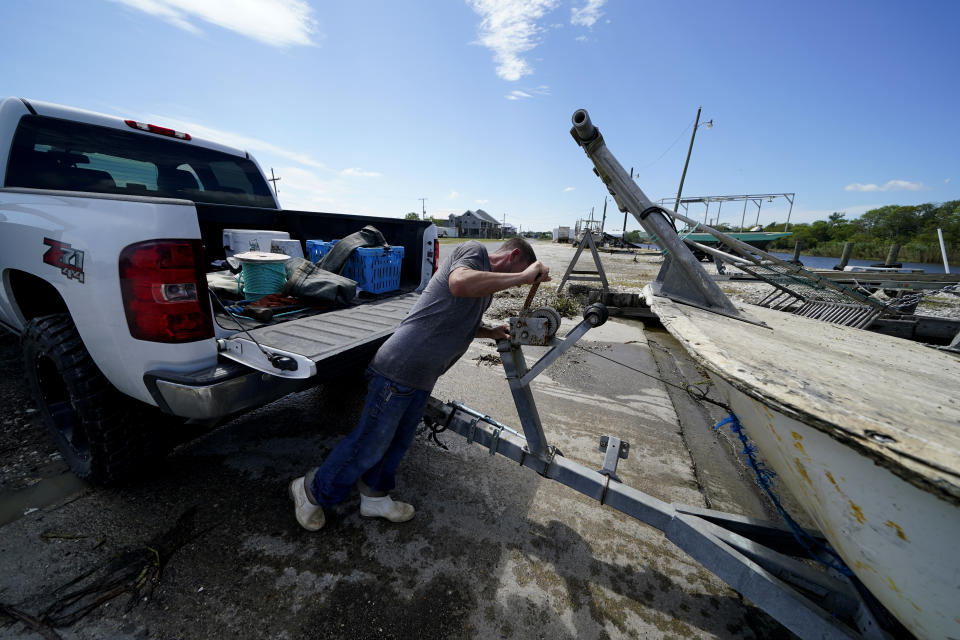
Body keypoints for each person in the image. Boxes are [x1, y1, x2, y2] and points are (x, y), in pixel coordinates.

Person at [289, 237, 550, 530]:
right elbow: (459, 284)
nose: (515, 285)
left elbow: (458, 321)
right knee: (369, 444)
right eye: (518, 276)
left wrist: (490, 331)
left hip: (422, 376)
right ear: (514, 255)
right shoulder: (473, 252)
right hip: (398, 369)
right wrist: (524, 276)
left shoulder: (484, 289)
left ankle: (374, 496)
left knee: (397, 443)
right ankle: (311, 492)